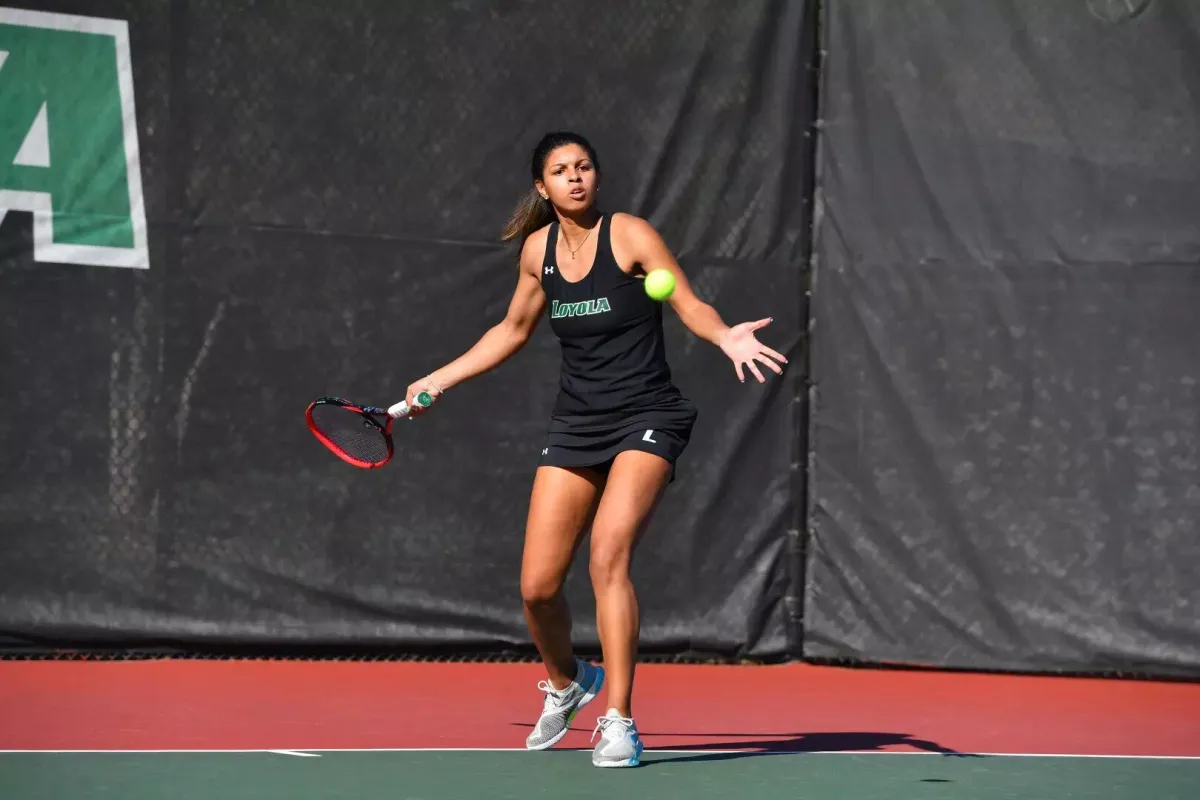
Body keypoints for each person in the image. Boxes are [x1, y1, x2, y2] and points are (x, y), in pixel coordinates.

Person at [395, 131, 785, 767]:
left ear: (595, 177)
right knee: (537, 588)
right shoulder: (537, 253)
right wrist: (439, 378)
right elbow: (512, 329)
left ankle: (619, 721)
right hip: (577, 423)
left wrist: (725, 338)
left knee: (609, 554)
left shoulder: (630, 235)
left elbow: (687, 302)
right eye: (559, 170)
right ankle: (569, 681)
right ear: (542, 187)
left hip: (648, 417)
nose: (574, 177)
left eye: (583, 167)